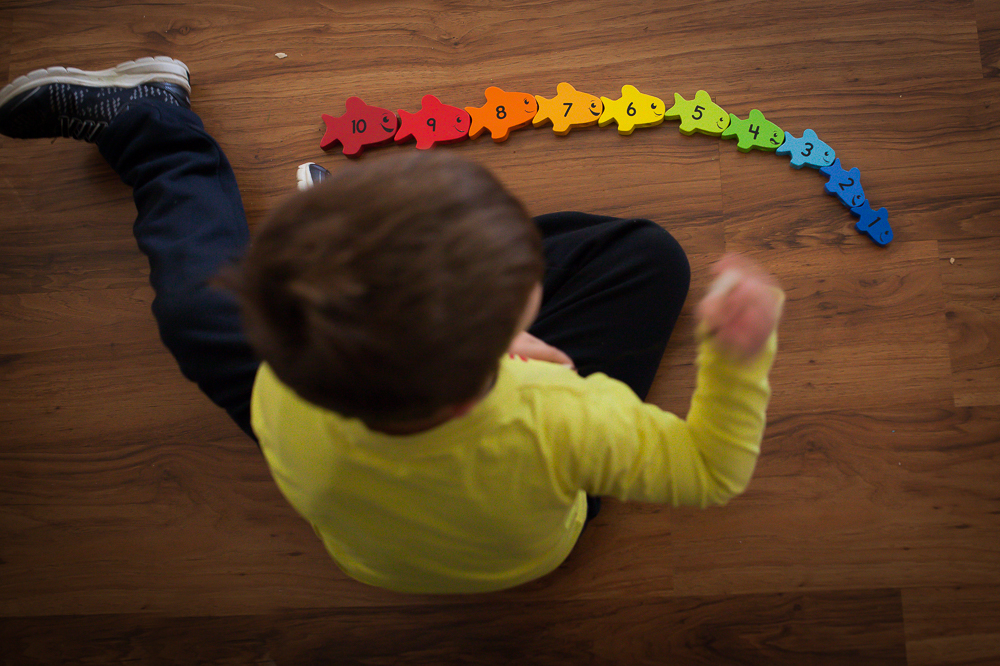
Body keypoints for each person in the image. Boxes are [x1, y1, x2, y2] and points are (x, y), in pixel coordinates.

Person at [0, 57, 784, 594]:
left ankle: (151, 124)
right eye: (519, 296)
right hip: (529, 550)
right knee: (649, 255)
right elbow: (709, 471)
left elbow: (264, 302)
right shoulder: (563, 412)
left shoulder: (285, 381)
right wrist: (738, 356)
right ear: (503, 358)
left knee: (193, 308)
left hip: (359, 515)